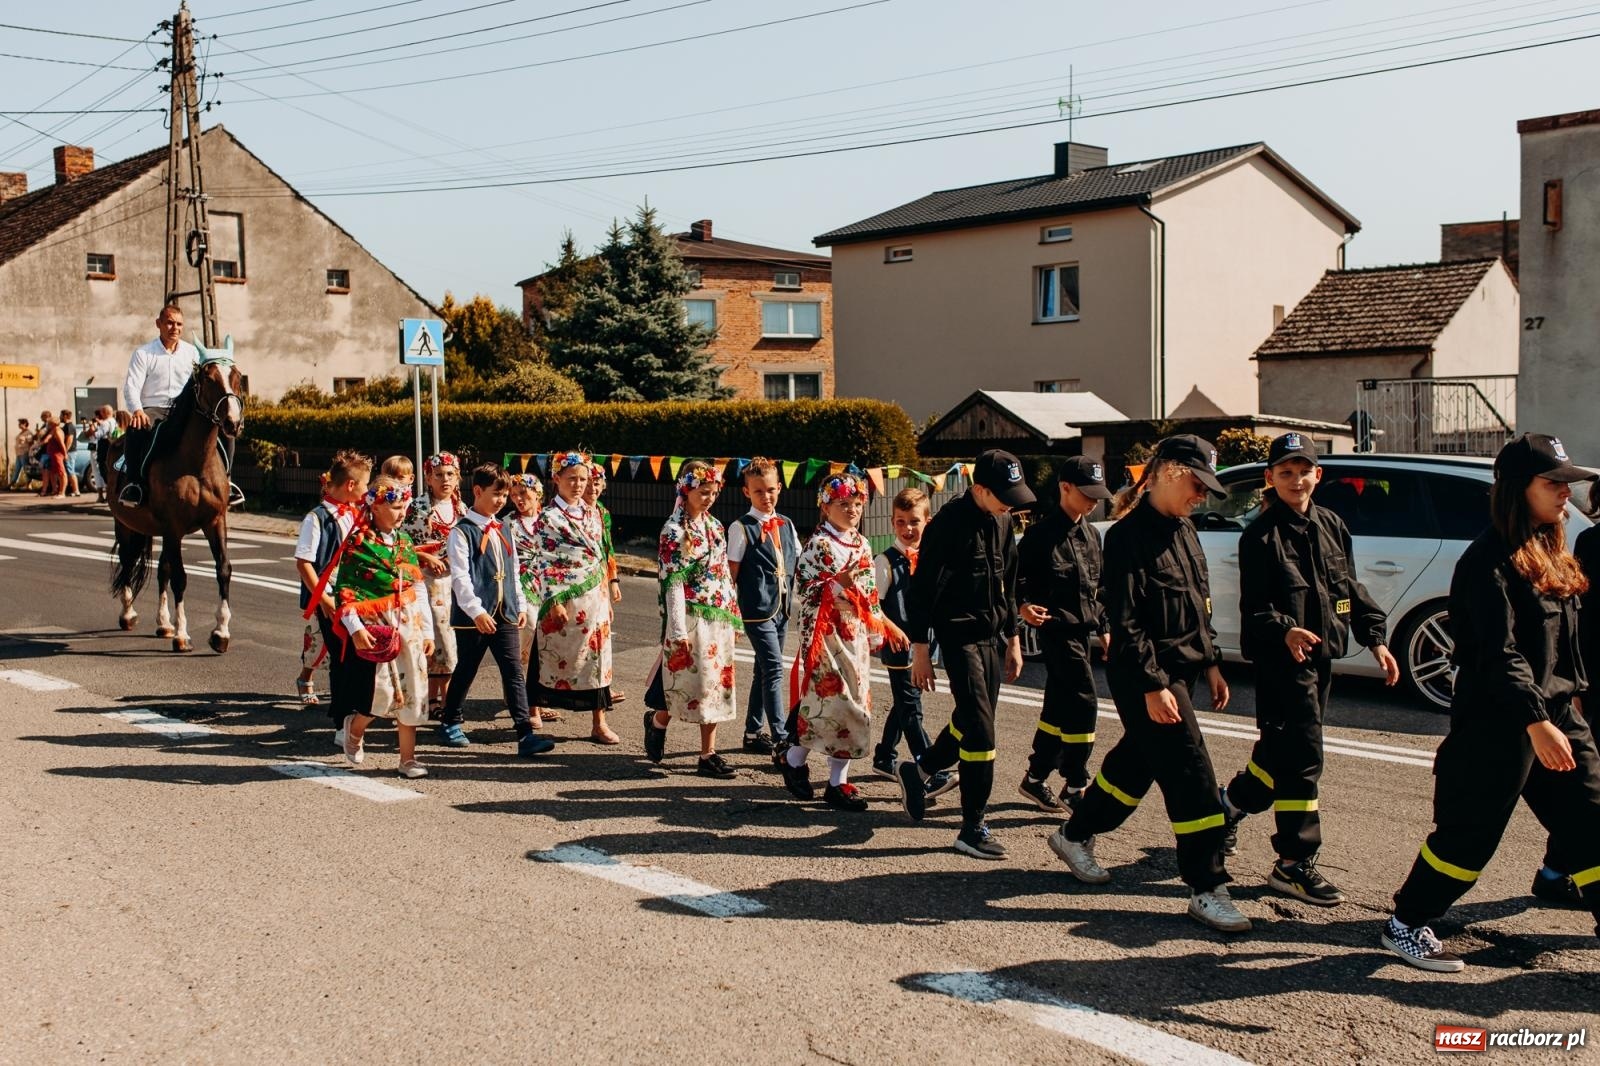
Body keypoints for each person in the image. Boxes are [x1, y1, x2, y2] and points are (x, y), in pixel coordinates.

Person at [1382, 432, 1600, 973]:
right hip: (1499, 724)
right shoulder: (1486, 562)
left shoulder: (1551, 552)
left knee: (1591, 820)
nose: (1565, 493)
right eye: (1553, 483)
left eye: (1568, 483)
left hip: (1556, 716)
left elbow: (1562, 645)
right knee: (1469, 838)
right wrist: (1535, 722)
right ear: (1517, 488)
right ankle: (1406, 922)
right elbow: (1498, 655)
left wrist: (1573, 700)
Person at [1049, 435, 1252, 933]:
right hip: (1145, 674)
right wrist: (1153, 684)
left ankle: (1074, 834)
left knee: (1134, 766)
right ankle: (1207, 886)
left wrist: (1211, 663)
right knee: (1192, 773)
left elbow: (1198, 605)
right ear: (1166, 473)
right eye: (1196, 485)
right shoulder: (1126, 537)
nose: (1201, 497)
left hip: (1181, 671)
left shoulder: (1186, 530)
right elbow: (1126, 621)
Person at [1217, 433, 1399, 907]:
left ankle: (1228, 806)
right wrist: (1285, 631)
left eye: (1304, 472)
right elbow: (1255, 608)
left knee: (1278, 752)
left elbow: (1349, 588)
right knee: (1303, 758)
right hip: (1284, 665)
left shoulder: (1332, 525)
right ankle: (1293, 862)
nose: (1296, 480)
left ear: (1318, 475)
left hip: (1322, 660)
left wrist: (1375, 639)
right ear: (1269, 478)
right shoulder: (1260, 536)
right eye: (1286, 472)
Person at [898, 449, 1034, 860]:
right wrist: (921, 648)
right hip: (958, 636)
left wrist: (1013, 638)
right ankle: (972, 827)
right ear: (980, 489)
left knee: (972, 718)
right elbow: (922, 589)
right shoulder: (947, 525)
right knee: (981, 730)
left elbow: (1008, 581)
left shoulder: (1003, 520)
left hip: (992, 635)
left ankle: (919, 770)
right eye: (1004, 495)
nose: (1011, 504)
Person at [781, 472, 906, 810]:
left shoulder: (862, 543)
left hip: (854, 635)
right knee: (831, 704)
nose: (852, 510)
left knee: (856, 705)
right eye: (843, 504)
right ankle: (794, 759)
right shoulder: (819, 545)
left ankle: (837, 781)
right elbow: (805, 591)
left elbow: (870, 593)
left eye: (856, 504)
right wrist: (838, 584)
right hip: (826, 635)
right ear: (825, 507)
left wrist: (880, 627)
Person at [437, 462, 554, 758]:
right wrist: (476, 611)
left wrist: (519, 603)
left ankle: (525, 733)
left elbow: (513, 570)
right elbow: (460, 577)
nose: (502, 500)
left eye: (505, 495)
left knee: (513, 671)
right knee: (467, 668)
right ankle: (450, 720)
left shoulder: (504, 527)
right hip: (473, 617)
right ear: (477, 491)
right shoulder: (461, 532)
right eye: (496, 494)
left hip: (505, 613)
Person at [1016, 456, 1113, 813]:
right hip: (1056, 633)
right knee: (1084, 702)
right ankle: (1075, 783)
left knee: (1057, 708)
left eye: (1097, 495)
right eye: (1087, 494)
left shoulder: (1092, 535)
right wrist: (1023, 606)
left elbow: (1099, 588)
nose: (1093, 502)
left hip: (1084, 633)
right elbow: (1012, 580)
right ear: (1065, 488)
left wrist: (1105, 628)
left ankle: (1035, 777)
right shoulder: (1039, 536)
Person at [642, 460, 742, 777]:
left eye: (713, 492)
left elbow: (724, 575)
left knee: (714, 686)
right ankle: (658, 721)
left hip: (718, 617)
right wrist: (677, 629)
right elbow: (672, 583)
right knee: (688, 684)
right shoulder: (673, 531)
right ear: (686, 490)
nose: (709, 498)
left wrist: (734, 614)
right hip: (690, 617)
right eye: (703, 492)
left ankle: (707, 754)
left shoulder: (716, 526)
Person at [333, 475, 436, 778]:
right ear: (375, 506)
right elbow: (346, 592)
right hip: (378, 627)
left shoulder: (404, 541)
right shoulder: (358, 543)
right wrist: (355, 629)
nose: (402, 513)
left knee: (414, 691)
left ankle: (407, 759)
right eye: (395, 507)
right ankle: (355, 727)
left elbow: (417, 587)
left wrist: (427, 630)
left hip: (409, 625)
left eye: (404, 507)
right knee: (382, 693)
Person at [870, 487, 956, 800]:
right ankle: (928, 768)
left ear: (927, 522)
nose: (907, 528)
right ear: (892, 523)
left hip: (923, 644)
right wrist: (891, 629)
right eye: (900, 521)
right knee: (911, 709)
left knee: (905, 702)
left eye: (914, 521)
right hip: (898, 646)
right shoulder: (885, 561)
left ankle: (884, 756)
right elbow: (873, 605)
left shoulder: (930, 557)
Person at [117, 304, 244, 508]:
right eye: (169, 323)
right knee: (135, 429)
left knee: (226, 430)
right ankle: (134, 484)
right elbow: (131, 386)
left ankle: (227, 482)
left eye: (179, 324)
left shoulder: (193, 353)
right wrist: (138, 410)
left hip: (186, 408)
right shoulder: (143, 353)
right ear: (158, 324)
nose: (174, 328)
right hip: (154, 408)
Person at [532, 451, 617, 743]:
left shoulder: (594, 512)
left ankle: (599, 722)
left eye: (582, 479)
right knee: (551, 655)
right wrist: (554, 600)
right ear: (557, 479)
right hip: (565, 596)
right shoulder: (548, 517)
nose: (578, 485)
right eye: (571, 479)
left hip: (595, 597)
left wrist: (606, 595)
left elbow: (600, 556)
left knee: (598, 658)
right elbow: (544, 561)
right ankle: (532, 709)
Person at [727, 457, 800, 760]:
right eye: (758, 491)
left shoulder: (787, 524)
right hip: (756, 610)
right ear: (747, 492)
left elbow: (797, 563)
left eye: (770, 490)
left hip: (781, 609)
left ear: (779, 488)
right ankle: (782, 738)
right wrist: (731, 615)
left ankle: (753, 732)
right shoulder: (740, 528)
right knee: (773, 670)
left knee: (762, 670)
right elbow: (730, 575)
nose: (766, 496)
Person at [295, 450, 372, 723]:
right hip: (328, 596)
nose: (367, 490)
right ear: (351, 485)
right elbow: (304, 562)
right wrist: (323, 600)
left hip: (354, 594)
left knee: (350, 652)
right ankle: (342, 714)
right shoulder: (316, 518)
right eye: (365, 484)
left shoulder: (356, 513)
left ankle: (350, 707)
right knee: (335, 652)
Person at [401, 452, 462, 722]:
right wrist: (427, 558)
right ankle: (434, 700)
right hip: (424, 582)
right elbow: (402, 544)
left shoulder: (462, 508)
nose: (445, 480)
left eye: (450, 474)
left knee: (450, 642)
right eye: (438, 475)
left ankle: (444, 701)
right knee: (433, 640)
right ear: (428, 478)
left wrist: (452, 560)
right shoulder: (417, 508)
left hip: (453, 582)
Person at [507, 473, 557, 731]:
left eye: (524, 494)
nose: (518, 499)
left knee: (547, 643)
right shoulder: (508, 524)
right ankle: (523, 700)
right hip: (521, 586)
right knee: (525, 639)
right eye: (514, 495)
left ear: (538, 494)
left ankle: (538, 698)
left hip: (548, 586)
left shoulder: (550, 519)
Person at [584, 461, 626, 704]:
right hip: (578, 579)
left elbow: (608, 548)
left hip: (599, 578)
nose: (593, 487)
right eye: (588, 482)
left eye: (597, 482)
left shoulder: (602, 512)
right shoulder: (572, 512)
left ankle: (602, 686)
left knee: (602, 635)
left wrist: (613, 581)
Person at [37, 410, 65, 498]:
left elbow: (62, 444)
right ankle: (56, 491)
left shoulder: (57, 431)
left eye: (49, 423)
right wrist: (38, 444)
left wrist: (65, 454)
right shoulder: (53, 430)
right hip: (52, 454)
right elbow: (47, 439)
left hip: (57, 454)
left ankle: (62, 493)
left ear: (53, 424)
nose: (48, 425)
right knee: (54, 473)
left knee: (61, 473)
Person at [58, 410, 80, 497]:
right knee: (69, 470)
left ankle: (76, 490)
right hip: (69, 452)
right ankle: (74, 490)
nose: (60, 417)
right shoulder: (66, 426)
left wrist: (65, 452)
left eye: (61, 415)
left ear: (65, 416)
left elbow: (70, 439)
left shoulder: (69, 426)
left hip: (70, 452)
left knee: (70, 470)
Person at [9, 418, 32, 491]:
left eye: (20, 423)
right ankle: (12, 483)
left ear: (25, 424)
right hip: (19, 454)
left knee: (26, 469)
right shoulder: (21, 433)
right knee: (17, 469)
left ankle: (28, 485)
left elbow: (30, 443)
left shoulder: (28, 433)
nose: (19, 425)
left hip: (24, 453)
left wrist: (29, 453)